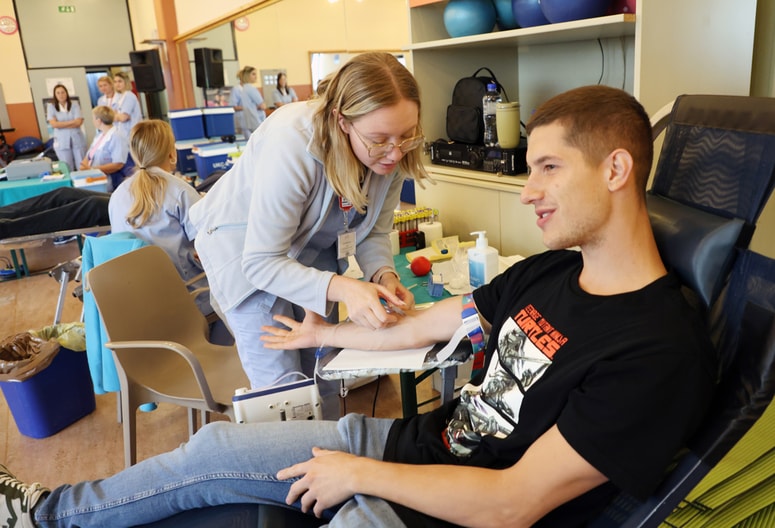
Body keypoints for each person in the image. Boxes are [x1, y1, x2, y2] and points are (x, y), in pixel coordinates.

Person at [0, 85, 717, 528]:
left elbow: (512, 505)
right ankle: (47, 514)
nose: (527, 192)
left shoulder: (654, 347)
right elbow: (431, 322)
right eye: (528, 171)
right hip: (414, 449)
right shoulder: (547, 272)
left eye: (547, 169)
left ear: (617, 169)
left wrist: (358, 477)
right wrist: (325, 327)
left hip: (451, 509)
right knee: (216, 449)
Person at [188, 52, 426, 404]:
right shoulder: (293, 140)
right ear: (342, 121)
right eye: (379, 139)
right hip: (244, 254)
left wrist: (383, 276)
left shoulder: (394, 148)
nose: (394, 153)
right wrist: (345, 289)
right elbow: (261, 262)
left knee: (324, 368)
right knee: (287, 391)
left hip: (314, 250)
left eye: (407, 136)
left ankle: (326, 453)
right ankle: (294, 454)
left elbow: (372, 230)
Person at [108, 119, 211, 316]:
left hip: (137, 300)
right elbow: (211, 243)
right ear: (172, 153)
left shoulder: (117, 195)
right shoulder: (180, 191)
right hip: (187, 297)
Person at [0, 187, 109, 240]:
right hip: (123, 195)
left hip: (125, 209)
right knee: (65, 193)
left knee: (94, 205)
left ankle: (8, 229)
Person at [79, 106, 128, 191]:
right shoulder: (100, 136)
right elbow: (89, 156)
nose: (93, 121)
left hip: (110, 182)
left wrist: (92, 169)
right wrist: (84, 167)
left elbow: (118, 164)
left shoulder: (117, 137)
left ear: (99, 120)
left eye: (93, 118)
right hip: (93, 178)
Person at [45, 84, 86, 171]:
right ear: (55, 95)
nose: (61, 95)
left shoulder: (74, 105)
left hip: (77, 138)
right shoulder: (51, 106)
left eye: (63, 92)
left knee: (81, 164)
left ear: (66, 93)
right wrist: (72, 122)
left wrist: (61, 124)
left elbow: (78, 122)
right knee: (67, 166)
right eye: (58, 93)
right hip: (61, 140)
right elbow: (54, 125)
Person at [109, 72, 143, 138]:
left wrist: (113, 117)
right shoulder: (120, 97)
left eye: (120, 81)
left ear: (126, 82)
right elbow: (114, 113)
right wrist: (116, 116)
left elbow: (123, 117)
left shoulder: (129, 96)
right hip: (123, 133)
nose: (117, 84)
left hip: (131, 133)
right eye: (115, 82)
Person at [237, 65, 267, 134]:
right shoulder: (251, 89)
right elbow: (263, 106)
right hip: (257, 121)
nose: (255, 76)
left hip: (250, 122)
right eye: (253, 74)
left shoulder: (244, 89)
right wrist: (257, 107)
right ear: (247, 75)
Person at [228, 70, 247, 137]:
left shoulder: (249, 89)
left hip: (249, 120)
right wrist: (246, 107)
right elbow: (233, 106)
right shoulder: (236, 89)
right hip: (241, 119)